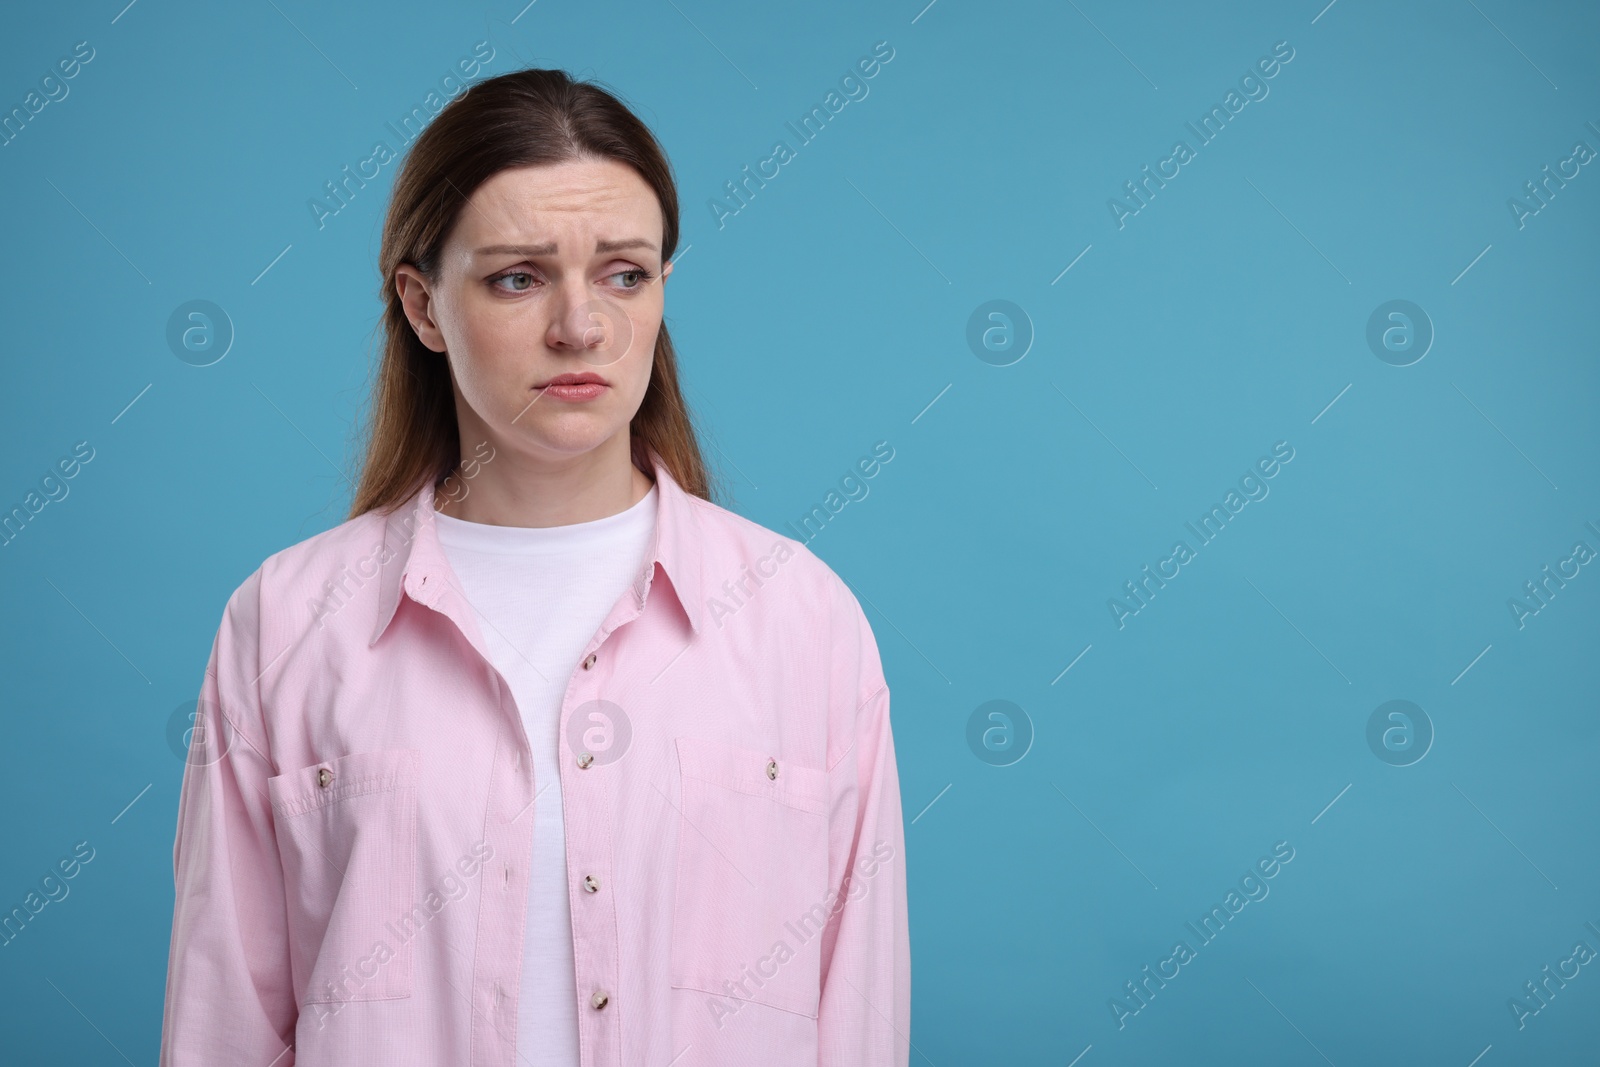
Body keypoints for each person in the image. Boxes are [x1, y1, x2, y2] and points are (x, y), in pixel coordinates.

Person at [158, 67, 909, 1067]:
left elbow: (854, 1007)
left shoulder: (801, 618)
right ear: (423, 307)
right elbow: (225, 1020)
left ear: (660, 291)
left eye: (623, 273)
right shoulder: (288, 621)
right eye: (518, 276)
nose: (581, 326)